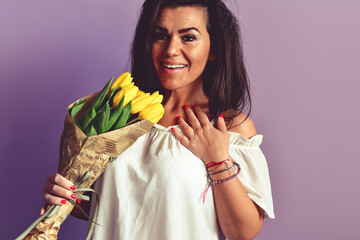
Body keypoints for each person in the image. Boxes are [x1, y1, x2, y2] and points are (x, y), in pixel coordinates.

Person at [41, 0, 275, 239]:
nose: (171, 50)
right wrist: (67, 195)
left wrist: (217, 159)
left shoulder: (227, 126)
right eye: (160, 36)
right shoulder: (121, 111)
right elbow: (112, 207)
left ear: (214, 48)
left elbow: (242, 232)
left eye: (188, 38)